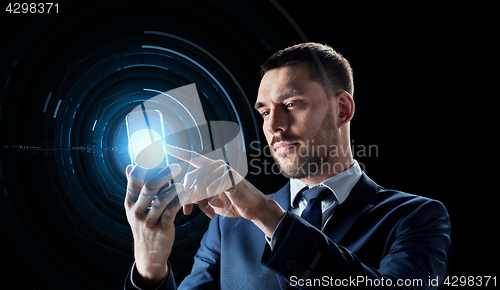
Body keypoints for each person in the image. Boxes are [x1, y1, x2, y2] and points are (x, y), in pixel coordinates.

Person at [124, 43, 451, 289]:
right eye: (265, 111)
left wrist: (266, 215)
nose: (273, 126)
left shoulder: (414, 217)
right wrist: (151, 267)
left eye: (292, 104)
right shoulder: (228, 227)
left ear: (342, 109)